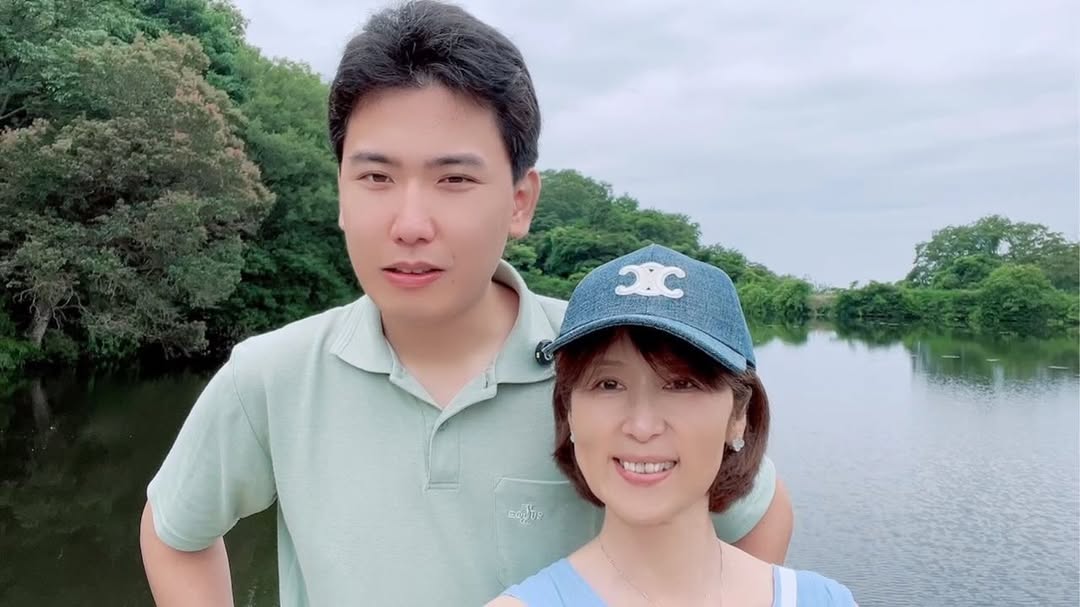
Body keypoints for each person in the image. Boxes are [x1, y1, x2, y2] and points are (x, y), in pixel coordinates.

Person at [137, 2, 794, 605]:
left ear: (520, 201)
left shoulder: (604, 362)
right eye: (375, 177)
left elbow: (757, 518)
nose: (409, 224)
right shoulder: (272, 375)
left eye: (454, 179)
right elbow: (175, 532)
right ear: (340, 192)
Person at [489, 244, 857, 606]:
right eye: (608, 384)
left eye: (682, 384)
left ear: (739, 415)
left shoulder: (822, 600)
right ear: (568, 410)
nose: (642, 426)